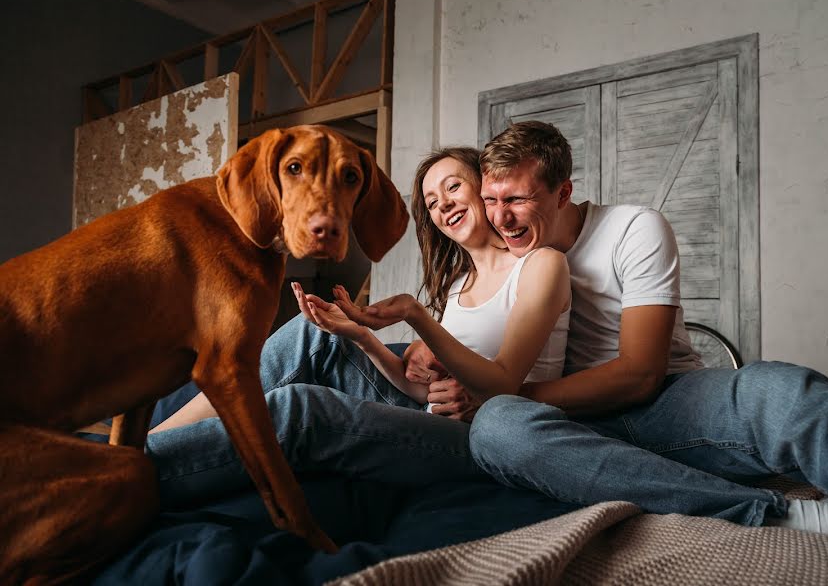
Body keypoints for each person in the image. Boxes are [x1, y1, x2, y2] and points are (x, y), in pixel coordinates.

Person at [352, 120, 828, 553]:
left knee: (784, 393)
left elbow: (640, 375)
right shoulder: (497, 257)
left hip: (670, 399)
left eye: (517, 200)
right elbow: (482, 342)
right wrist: (427, 356)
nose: (501, 218)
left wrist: (496, 393)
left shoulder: (634, 228)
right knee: (499, 432)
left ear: (563, 192)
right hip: (569, 420)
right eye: (491, 200)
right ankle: (763, 510)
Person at [146, 147, 569, 504]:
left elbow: (502, 385)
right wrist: (360, 336)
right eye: (433, 202)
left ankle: (142, 477)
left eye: (454, 187)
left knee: (300, 407)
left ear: (486, 185)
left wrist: (415, 316)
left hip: (477, 442)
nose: (444, 205)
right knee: (313, 332)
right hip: (430, 416)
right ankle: (144, 448)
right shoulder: (459, 286)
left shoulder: (537, 264)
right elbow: (423, 391)